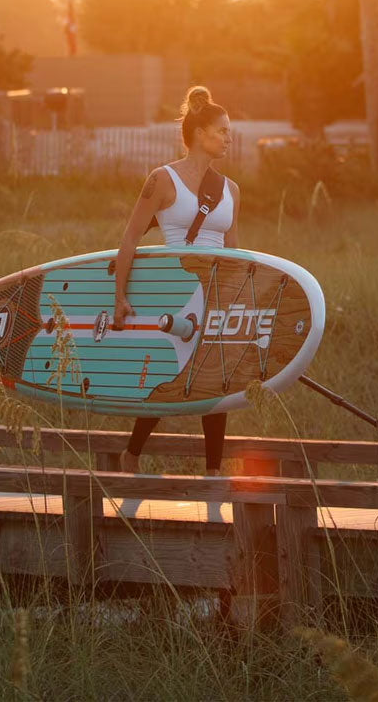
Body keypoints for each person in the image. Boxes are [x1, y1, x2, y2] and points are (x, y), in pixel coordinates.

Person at [109, 86, 238, 516]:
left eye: (229, 132)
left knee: (214, 377)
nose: (228, 138)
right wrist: (120, 296)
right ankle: (132, 453)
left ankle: (214, 472)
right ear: (200, 133)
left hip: (217, 292)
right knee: (172, 374)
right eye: (221, 131)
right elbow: (130, 238)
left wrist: (241, 303)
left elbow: (235, 256)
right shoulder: (162, 179)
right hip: (177, 288)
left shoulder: (230, 189)